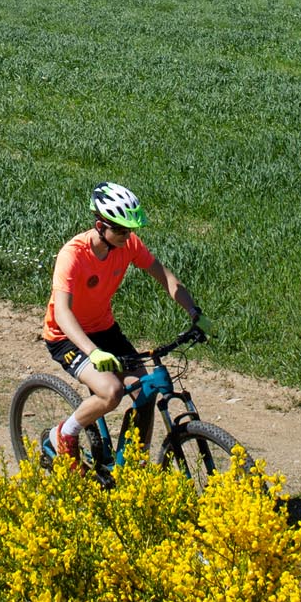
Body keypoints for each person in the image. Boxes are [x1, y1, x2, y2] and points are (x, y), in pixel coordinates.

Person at [41, 181, 199, 469]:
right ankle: (63, 434)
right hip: (66, 336)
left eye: (130, 230)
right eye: (122, 231)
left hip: (104, 329)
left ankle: (132, 466)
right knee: (111, 391)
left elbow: (165, 277)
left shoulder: (128, 245)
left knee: (145, 392)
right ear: (100, 226)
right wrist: (92, 352)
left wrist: (194, 312)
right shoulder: (73, 255)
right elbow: (62, 313)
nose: (128, 236)